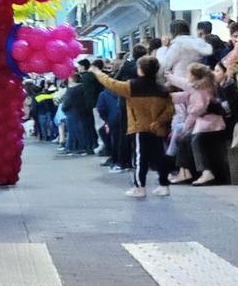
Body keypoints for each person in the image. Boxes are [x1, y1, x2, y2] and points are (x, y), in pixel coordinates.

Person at [93, 55, 174, 198]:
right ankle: (164, 185)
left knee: (140, 157)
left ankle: (139, 187)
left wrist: (98, 72)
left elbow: (111, 83)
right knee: (160, 156)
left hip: (139, 127)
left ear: (140, 70)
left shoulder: (131, 86)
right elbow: (170, 110)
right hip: (157, 128)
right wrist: (159, 121)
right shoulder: (162, 89)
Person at [181, 63, 230, 185]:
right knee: (187, 139)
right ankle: (189, 172)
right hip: (208, 124)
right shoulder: (206, 86)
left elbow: (199, 109)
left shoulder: (205, 88)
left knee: (196, 140)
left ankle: (206, 171)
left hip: (214, 125)